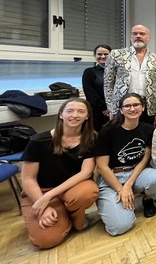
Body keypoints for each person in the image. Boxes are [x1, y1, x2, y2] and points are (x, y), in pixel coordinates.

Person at [20, 98, 99, 249]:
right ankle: (64, 216)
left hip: (70, 189)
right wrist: (43, 203)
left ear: (87, 116)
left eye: (81, 111)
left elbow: (85, 173)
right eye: (70, 111)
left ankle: (75, 218)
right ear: (61, 115)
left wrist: (48, 197)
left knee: (87, 191)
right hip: (39, 191)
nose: (74, 115)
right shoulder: (39, 141)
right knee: (45, 241)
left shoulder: (91, 139)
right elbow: (28, 179)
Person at [95, 93, 156, 236]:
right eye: (127, 106)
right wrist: (120, 188)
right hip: (112, 176)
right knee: (120, 227)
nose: (132, 108)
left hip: (136, 173)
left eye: (136, 105)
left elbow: (145, 158)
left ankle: (148, 200)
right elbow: (102, 166)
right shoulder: (107, 131)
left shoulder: (148, 129)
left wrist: (128, 184)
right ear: (121, 110)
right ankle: (114, 204)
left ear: (143, 108)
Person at [104, 24, 156, 125]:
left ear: (149, 38)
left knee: (146, 136)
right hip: (123, 106)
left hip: (148, 108)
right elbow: (108, 84)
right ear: (131, 37)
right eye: (135, 33)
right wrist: (111, 108)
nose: (138, 36)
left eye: (142, 34)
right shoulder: (116, 55)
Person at [82, 44, 111, 130]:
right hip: (98, 111)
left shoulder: (118, 71)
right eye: (99, 54)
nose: (102, 56)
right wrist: (104, 108)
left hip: (117, 110)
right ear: (95, 55)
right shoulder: (89, 72)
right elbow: (90, 93)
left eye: (106, 54)